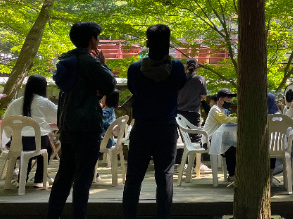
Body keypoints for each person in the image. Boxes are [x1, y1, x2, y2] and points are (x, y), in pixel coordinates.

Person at [47, 21, 116, 219]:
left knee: (64, 174)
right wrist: (104, 65)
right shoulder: (89, 61)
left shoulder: (67, 60)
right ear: (91, 39)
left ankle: (53, 215)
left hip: (68, 124)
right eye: (98, 37)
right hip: (86, 126)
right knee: (83, 178)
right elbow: (109, 84)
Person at [122, 24, 187, 219]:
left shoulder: (134, 69)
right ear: (168, 43)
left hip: (142, 126)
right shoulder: (176, 68)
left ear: (147, 43)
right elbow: (180, 84)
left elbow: (134, 89)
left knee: (134, 177)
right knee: (165, 176)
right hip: (166, 126)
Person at [3, 74, 57, 188]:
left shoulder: (15, 103)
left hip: (17, 142)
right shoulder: (44, 102)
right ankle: (39, 180)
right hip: (37, 142)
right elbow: (57, 116)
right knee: (47, 148)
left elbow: (6, 122)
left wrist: (9, 137)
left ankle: (21, 179)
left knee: (24, 152)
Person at [175, 58, 207, 164]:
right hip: (193, 112)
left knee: (185, 139)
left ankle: (186, 163)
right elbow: (203, 96)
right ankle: (197, 164)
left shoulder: (179, 79)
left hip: (179, 113)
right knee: (196, 138)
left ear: (186, 67)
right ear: (197, 67)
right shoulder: (200, 79)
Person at [204, 88, 238, 182]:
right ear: (220, 99)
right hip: (210, 139)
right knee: (230, 149)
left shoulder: (224, 110)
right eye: (228, 98)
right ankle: (232, 175)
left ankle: (236, 173)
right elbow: (224, 120)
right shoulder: (215, 109)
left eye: (231, 98)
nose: (230, 100)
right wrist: (240, 119)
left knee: (237, 146)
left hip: (219, 138)